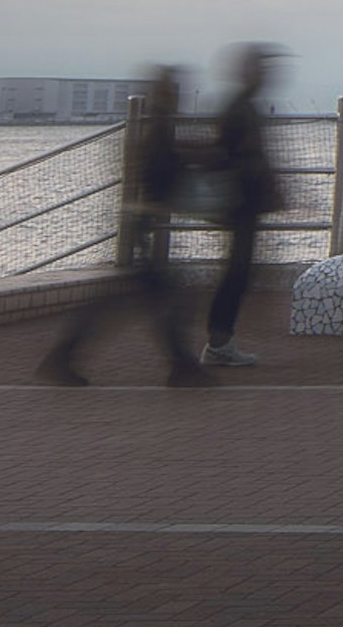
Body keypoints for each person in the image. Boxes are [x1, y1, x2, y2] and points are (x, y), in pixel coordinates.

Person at [38, 66, 217, 388]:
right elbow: (161, 170)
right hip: (144, 224)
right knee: (164, 299)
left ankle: (178, 364)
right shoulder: (159, 129)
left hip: (139, 223)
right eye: (173, 90)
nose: (177, 96)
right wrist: (197, 157)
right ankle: (180, 366)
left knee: (137, 299)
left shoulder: (153, 127)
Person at [200, 43, 287, 367]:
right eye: (262, 68)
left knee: (240, 271)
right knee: (237, 272)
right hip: (240, 203)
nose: (267, 74)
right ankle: (218, 343)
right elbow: (229, 154)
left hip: (244, 202)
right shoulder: (240, 107)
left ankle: (220, 340)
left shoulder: (244, 105)